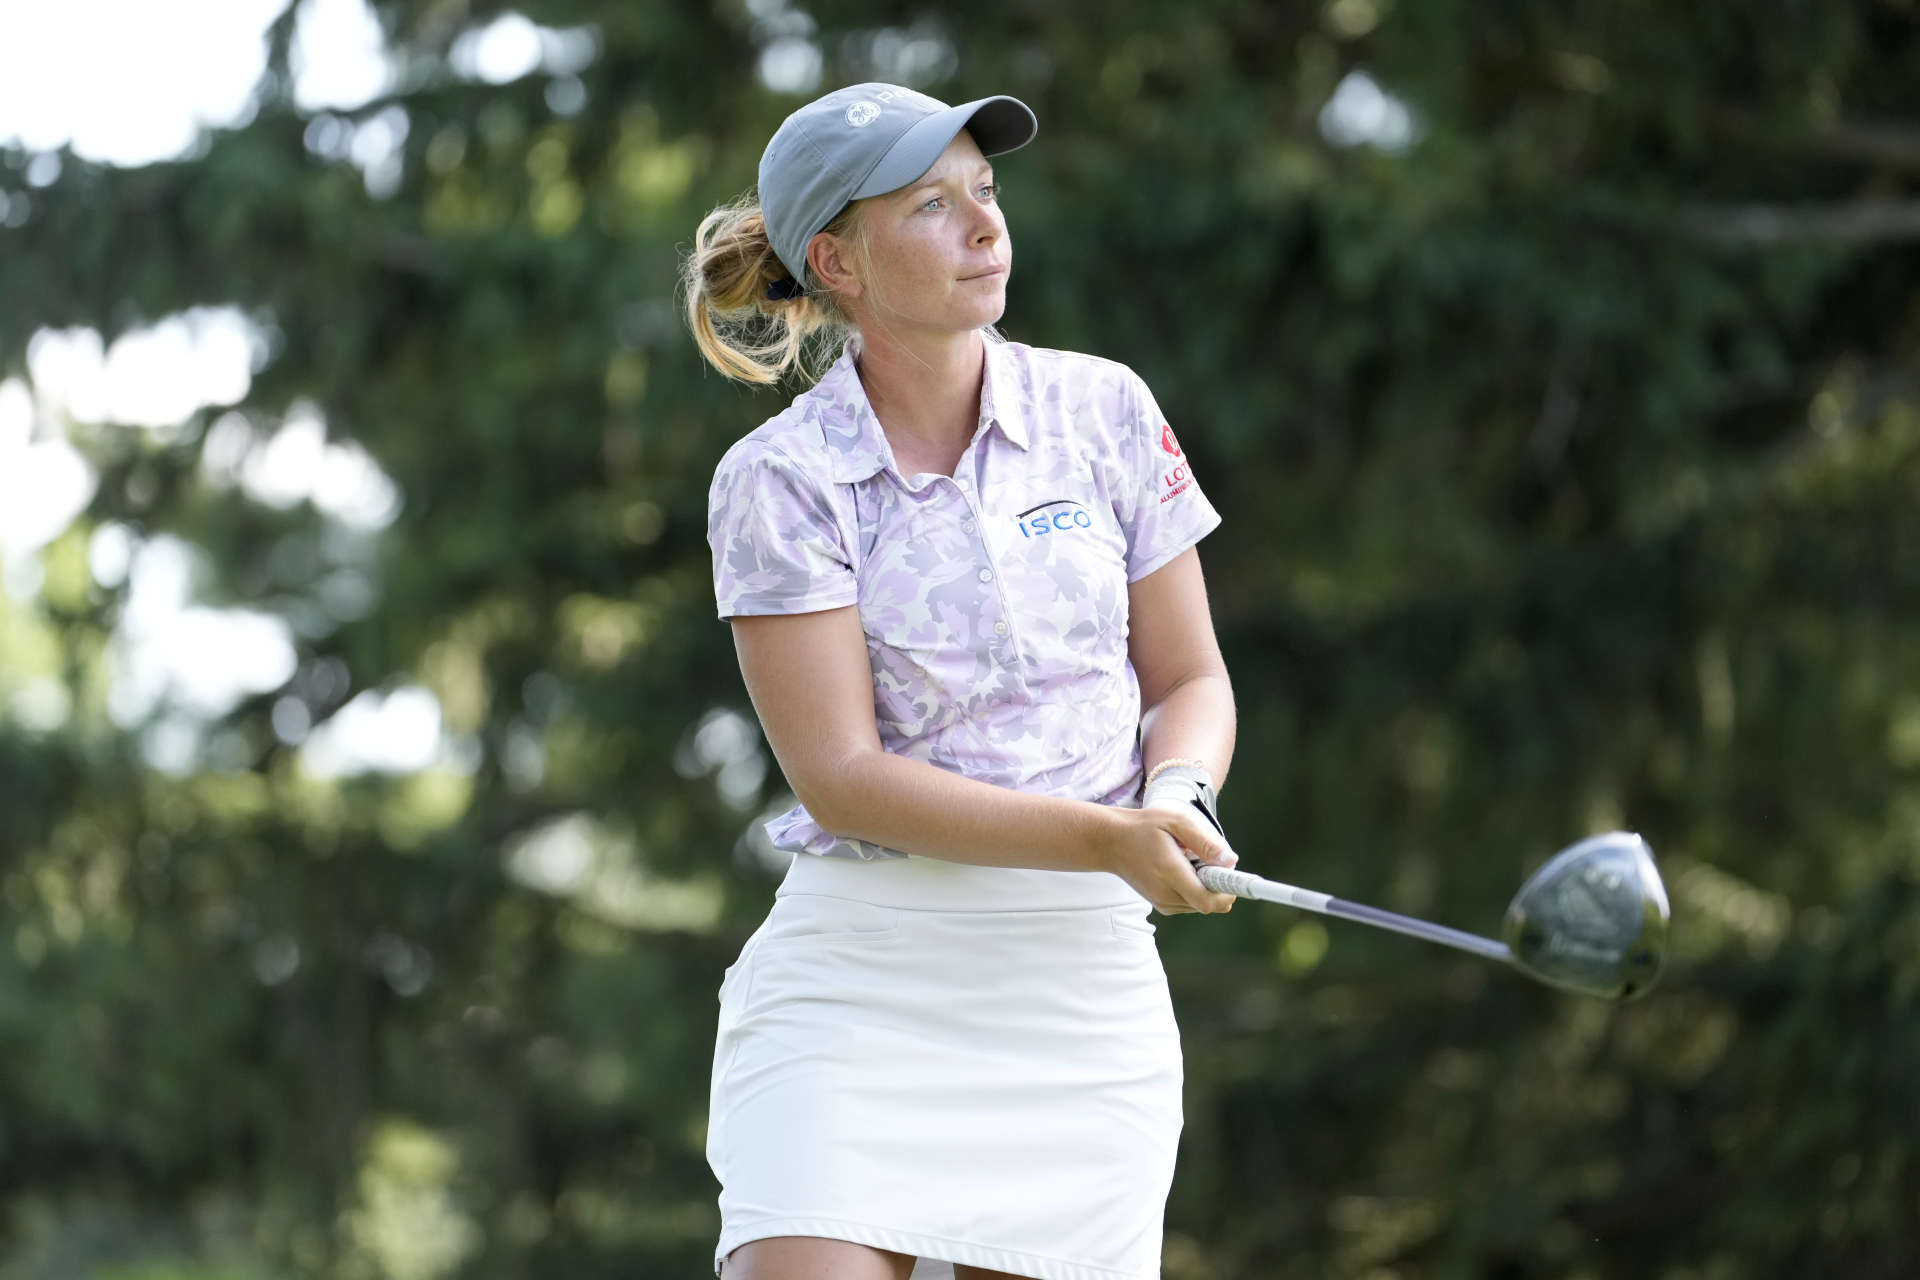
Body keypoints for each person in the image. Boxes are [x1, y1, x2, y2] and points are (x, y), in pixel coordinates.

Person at [681, 81, 1240, 1280]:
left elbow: (1188, 674)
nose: (985, 225)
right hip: (863, 983)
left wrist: (1181, 789)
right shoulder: (780, 480)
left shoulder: (1105, 409)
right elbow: (843, 778)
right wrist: (1103, 832)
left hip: (1078, 1002)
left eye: (985, 192)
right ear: (837, 259)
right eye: (932, 205)